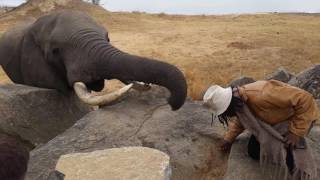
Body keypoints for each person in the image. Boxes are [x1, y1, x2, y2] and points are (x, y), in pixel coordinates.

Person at [203, 80, 318, 161]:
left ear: (229, 105)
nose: (227, 116)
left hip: (291, 119)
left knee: (288, 157)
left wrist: (296, 132)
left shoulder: (263, 94)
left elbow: (305, 99)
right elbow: (241, 121)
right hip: (270, 123)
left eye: (225, 113)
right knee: (254, 152)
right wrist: (228, 139)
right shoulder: (239, 100)